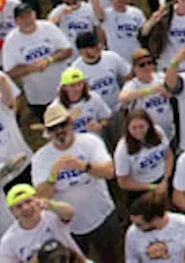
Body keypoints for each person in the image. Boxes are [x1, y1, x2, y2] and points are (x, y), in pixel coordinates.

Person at [29, 100, 121, 263]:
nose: (59, 131)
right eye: (53, 128)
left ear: (71, 123)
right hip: (68, 226)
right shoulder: (40, 158)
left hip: (102, 215)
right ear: (47, 133)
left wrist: (84, 167)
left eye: (62, 125)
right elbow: (42, 197)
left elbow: (109, 172)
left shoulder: (90, 142)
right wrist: (52, 177)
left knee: (112, 257)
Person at [0, 184, 80, 263]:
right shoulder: (8, 241)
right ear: (12, 212)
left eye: (28, 201)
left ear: (37, 199)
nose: (25, 208)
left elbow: (70, 213)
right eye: (19, 206)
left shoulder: (51, 215)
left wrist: (51, 205)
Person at [113, 109, 172, 204]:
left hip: (164, 179)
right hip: (141, 189)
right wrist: (152, 187)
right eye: (134, 128)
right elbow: (123, 182)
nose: (138, 131)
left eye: (142, 126)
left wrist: (165, 180)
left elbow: (168, 156)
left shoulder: (158, 132)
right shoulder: (122, 149)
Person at [124, 190, 185, 263]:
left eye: (139, 224)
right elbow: (131, 259)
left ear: (155, 219)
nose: (135, 226)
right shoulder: (133, 232)